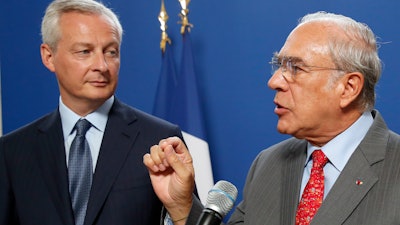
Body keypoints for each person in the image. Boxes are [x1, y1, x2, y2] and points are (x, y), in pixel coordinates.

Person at [143, 11, 400, 225]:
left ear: (348, 88)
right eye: (279, 66)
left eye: (296, 68)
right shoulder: (269, 164)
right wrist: (182, 206)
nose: (274, 81)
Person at [0, 0, 185, 224]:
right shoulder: (12, 152)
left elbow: (189, 217)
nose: (102, 65)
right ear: (49, 57)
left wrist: (181, 210)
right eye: (85, 51)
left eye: (111, 52)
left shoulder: (159, 139)